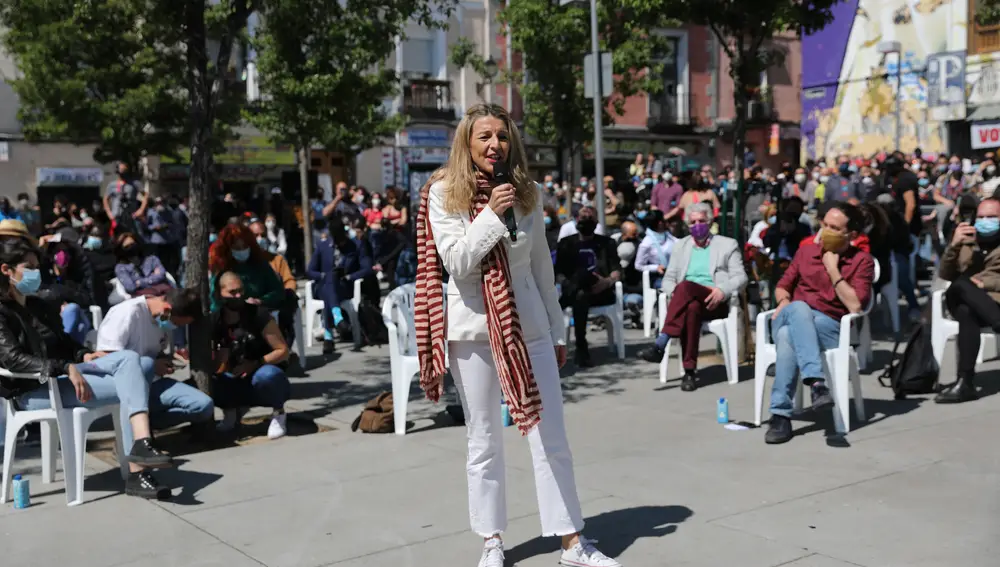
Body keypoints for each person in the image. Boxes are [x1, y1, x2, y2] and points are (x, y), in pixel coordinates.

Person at [416, 103, 620, 567]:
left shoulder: (528, 192)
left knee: (551, 435)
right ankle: (491, 539)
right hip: (473, 330)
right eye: (485, 136)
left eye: (503, 137)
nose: (495, 145)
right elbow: (459, 264)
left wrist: (557, 326)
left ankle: (572, 541)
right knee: (484, 439)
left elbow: (541, 267)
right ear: (467, 143)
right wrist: (489, 213)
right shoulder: (443, 193)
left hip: (529, 328)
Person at [0, 236, 173, 498]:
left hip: (60, 379)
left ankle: (141, 444)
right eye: (29, 267)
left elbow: (65, 342)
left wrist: (84, 355)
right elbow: (12, 359)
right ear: (6, 270)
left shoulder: (37, 305)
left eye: (37, 267)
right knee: (132, 383)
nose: (36, 273)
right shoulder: (2, 313)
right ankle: (138, 468)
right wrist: (65, 367)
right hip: (32, 391)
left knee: (127, 358)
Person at [765, 202, 875, 444]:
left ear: (851, 235)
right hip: (790, 313)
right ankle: (816, 383)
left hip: (829, 327)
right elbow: (783, 285)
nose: (825, 231)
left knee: (786, 336)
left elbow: (855, 306)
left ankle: (780, 415)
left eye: (833, 228)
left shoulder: (862, 261)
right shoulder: (805, 252)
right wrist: (784, 301)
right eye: (824, 225)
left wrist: (833, 270)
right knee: (799, 308)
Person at [637, 203, 747, 391]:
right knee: (691, 306)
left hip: (714, 300)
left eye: (701, 221)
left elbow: (741, 277)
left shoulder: (727, 245)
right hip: (689, 301)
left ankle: (661, 343)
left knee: (686, 287)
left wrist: (722, 290)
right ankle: (689, 372)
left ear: (710, 222)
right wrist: (676, 293)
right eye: (693, 222)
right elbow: (669, 279)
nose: (697, 225)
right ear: (687, 225)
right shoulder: (681, 246)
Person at [95, 289, 214, 432]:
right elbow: (106, 358)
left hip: (154, 384)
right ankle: (135, 430)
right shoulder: (126, 313)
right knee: (147, 365)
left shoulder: (162, 318)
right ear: (167, 309)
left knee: (203, 405)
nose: (175, 327)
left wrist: (163, 362)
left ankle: (144, 425)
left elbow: (155, 350)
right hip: (126, 388)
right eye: (176, 323)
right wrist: (151, 365)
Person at [212, 271, 291, 439]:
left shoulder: (257, 314)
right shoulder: (216, 320)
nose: (238, 296)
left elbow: (282, 350)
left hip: (260, 375)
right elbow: (214, 365)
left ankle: (278, 413)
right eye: (232, 292)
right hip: (234, 377)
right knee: (210, 381)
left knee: (268, 375)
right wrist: (221, 358)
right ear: (220, 294)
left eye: (241, 290)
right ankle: (231, 412)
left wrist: (256, 363)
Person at [936, 198, 1000, 403]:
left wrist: (984, 283)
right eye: (981, 217)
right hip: (959, 294)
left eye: (992, 217)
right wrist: (954, 244)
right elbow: (945, 274)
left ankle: (965, 383)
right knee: (961, 284)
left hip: (991, 301)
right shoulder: (965, 239)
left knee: (966, 312)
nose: (985, 221)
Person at [555, 206, 620, 367]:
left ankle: (561, 305)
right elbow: (558, 273)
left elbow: (617, 271)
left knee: (581, 283)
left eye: (589, 219)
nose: (585, 222)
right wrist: (567, 283)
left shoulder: (607, 243)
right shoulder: (566, 243)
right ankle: (581, 348)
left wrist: (606, 282)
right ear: (576, 221)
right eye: (582, 219)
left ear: (596, 222)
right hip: (578, 294)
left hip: (601, 291)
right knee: (581, 291)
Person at [208, 223, 286, 312]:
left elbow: (278, 292)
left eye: (244, 246)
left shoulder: (261, 265)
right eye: (237, 247)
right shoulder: (221, 268)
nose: (242, 250)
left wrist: (260, 301)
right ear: (227, 248)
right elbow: (215, 300)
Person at [114, 232, 170, 297]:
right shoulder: (121, 268)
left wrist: (140, 282)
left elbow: (162, 275)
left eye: (133, 244)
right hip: (143, 297)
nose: (131, 248)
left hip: (163, 291)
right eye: (127, 247)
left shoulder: (151, 259)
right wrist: (153, 276)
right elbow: (131, 287)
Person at [633, 209, 676, 289]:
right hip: (658, 277)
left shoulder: (668, 235)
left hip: (674, 273)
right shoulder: (646, 243)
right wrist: (656, 267)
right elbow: (638, 265)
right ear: (660, 223)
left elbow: (679, 243)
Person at [103, 161, 148, 235]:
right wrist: (109, 212)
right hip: (117, 216)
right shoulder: (112, 185)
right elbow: (105, 198)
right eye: (121, 169)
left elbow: (145, 195)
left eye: (125, 170)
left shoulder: (135, 183)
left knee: (136, 236)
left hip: (131, 216)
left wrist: (141, 210)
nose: (123, 172)